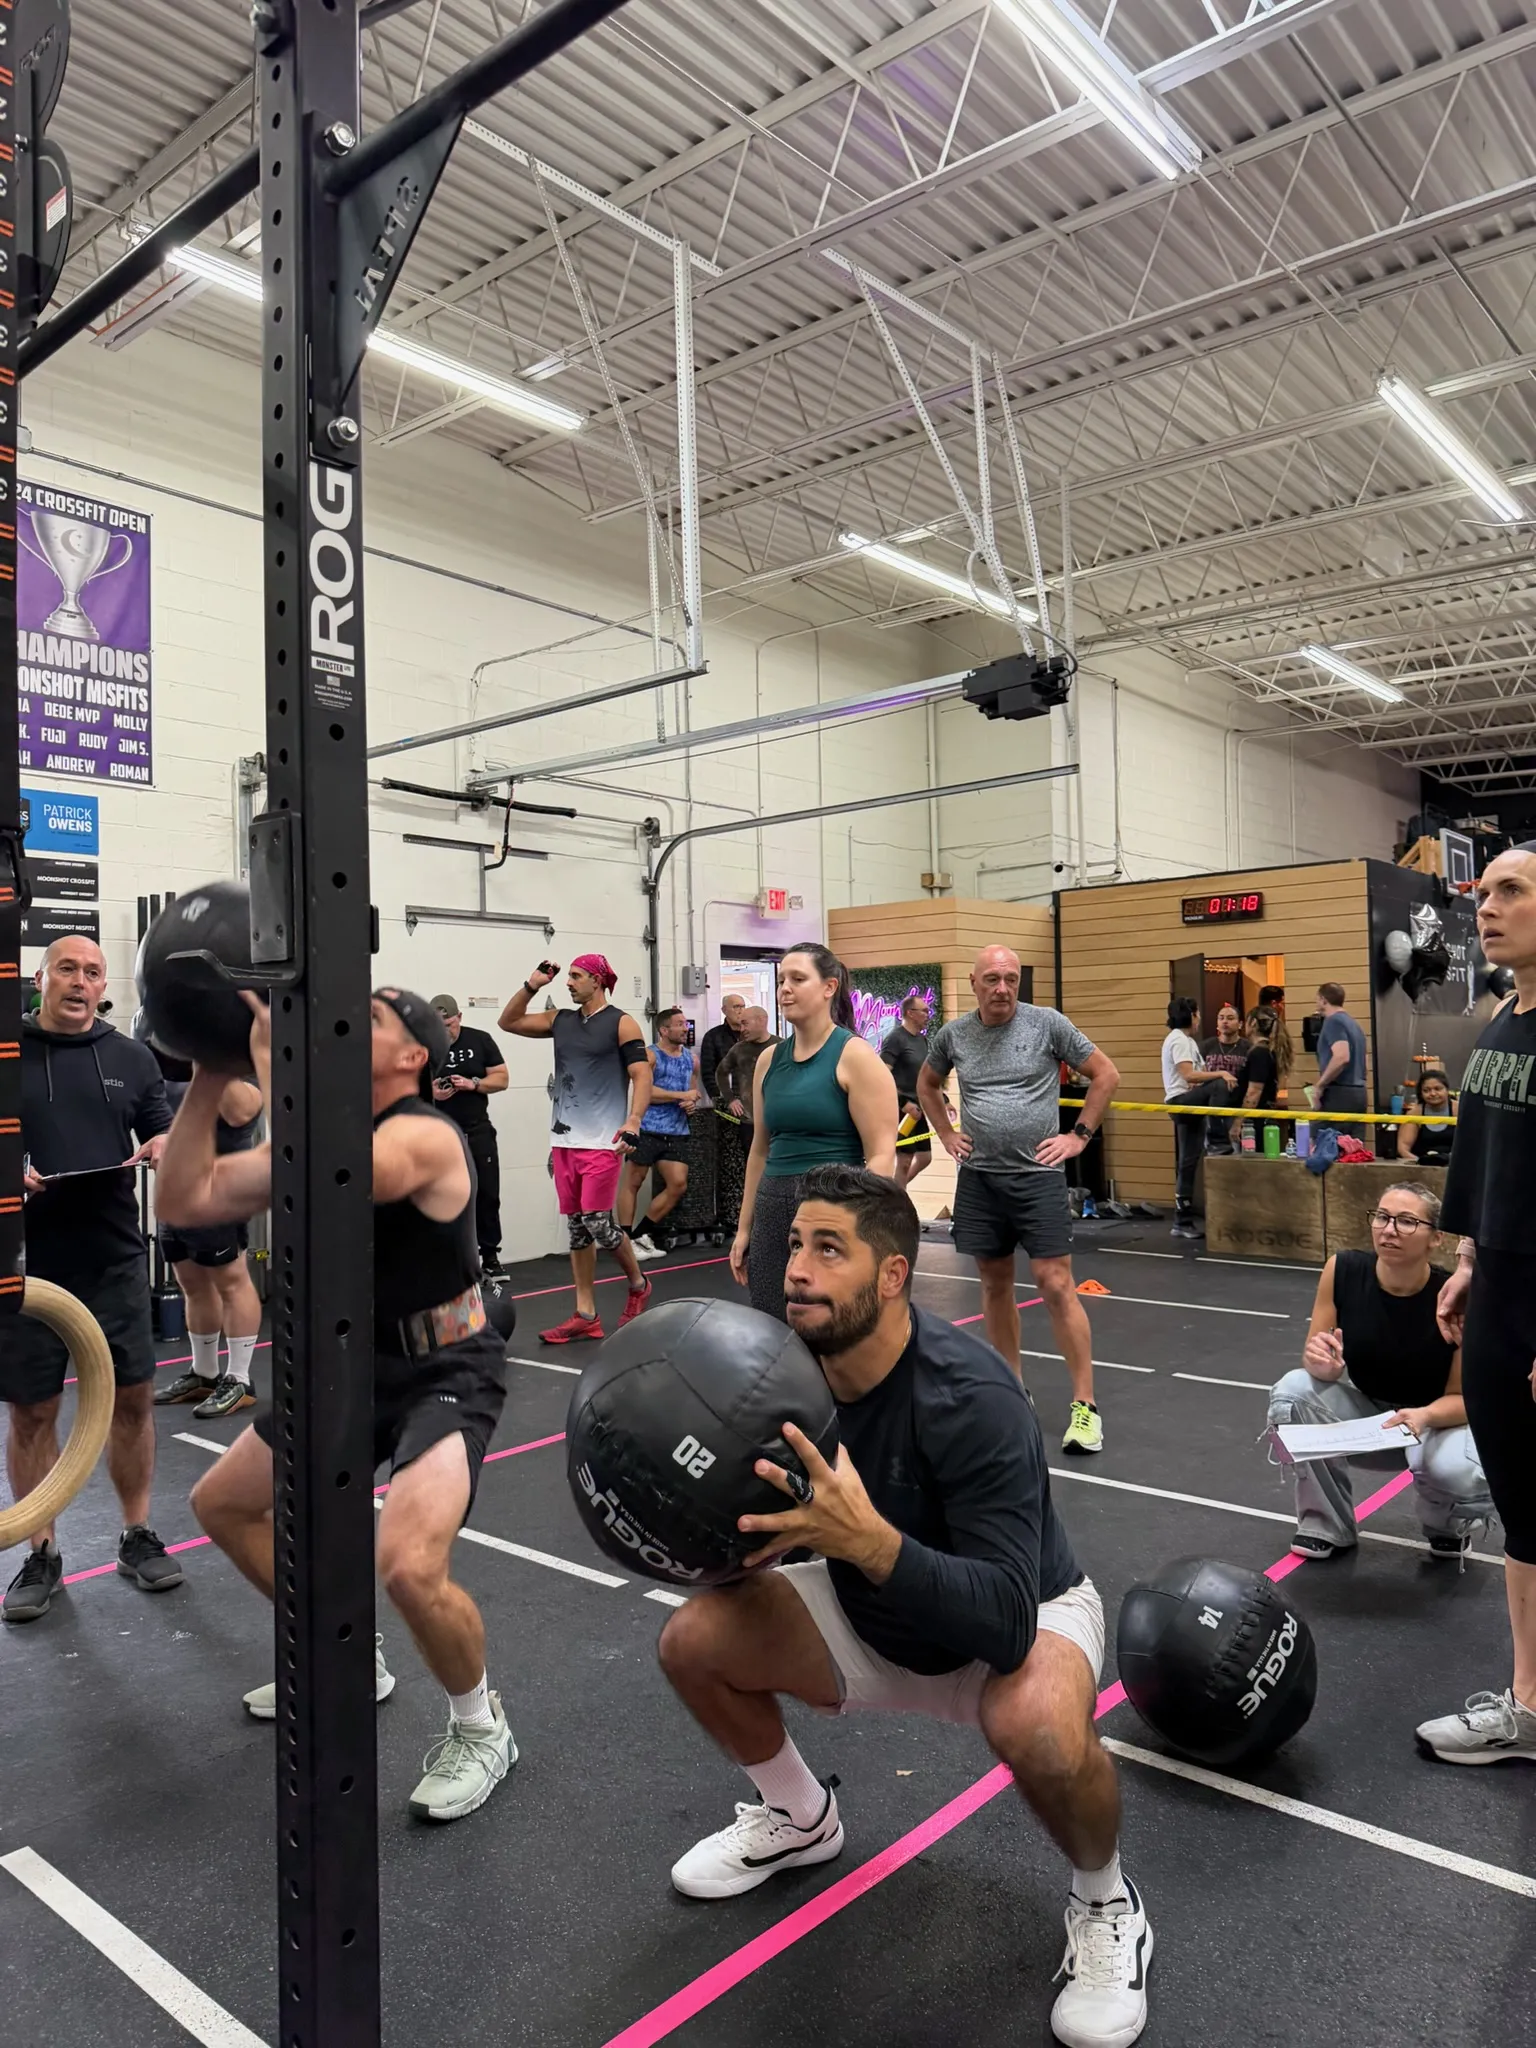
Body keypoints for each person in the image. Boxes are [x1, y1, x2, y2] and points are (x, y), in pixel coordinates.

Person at [658, 1165, 1150, 2048]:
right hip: (869, 1611)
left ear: (891, 1277)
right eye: (796, 1245)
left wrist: (866, 1541)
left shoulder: (973, 1397)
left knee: (1039, 1724)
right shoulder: (776, 1377)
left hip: (1020, 1617)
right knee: (693, 1639)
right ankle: (799, 1819)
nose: (796, 1270)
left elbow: (1003, 1622)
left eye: (828, 1250)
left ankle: (1107, 1900)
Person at [161, 988, 514, 1822]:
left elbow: (340, 1175)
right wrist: (209, 1077)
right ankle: (348, 1659)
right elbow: (183, 1200)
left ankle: (481, 1725)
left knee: (408, 1563)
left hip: (446, 1366)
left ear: (412, 1058)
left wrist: (276, 1067)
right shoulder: (317, 1126)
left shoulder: (427, 1132)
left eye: (372, 1021)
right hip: (345, 1364)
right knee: (224, 1503)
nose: (342, 1026)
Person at [2, 935, 180, 1625]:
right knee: (33, 1411)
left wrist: (163, 1143)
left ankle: (137, 1535)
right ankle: (39, 1549)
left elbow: (162, 1129)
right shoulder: (7, 1052)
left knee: (132, 1401)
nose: (80, 982)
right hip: (25, 1265)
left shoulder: (130, 1058)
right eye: (67, 969)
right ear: (40, 977)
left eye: (93, 972)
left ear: (105, 985)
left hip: (112, 1258)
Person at [1416, 843, 1536, 1766]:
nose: (1485, 906)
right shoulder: (1503, 1021)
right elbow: (1488, 1166)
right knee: (1526, 1514)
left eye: (1511, 891)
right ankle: (1529, 1706)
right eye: (1483, 890)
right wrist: (1465, 1260)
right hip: (1497, 1286)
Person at [918, 948, 1119, 1455]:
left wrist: (1078, 1136)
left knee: (1056, 1284)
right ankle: (1012, 1392)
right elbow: (926, 1083)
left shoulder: (1047, 1023)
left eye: (1010, 979)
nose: (1002, 988)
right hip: (981, 1180)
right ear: (974, 983)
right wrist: (945, 1133)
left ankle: (1085, 1407)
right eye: (992, 979)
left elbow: (1106, 1075)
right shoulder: (954, 1034)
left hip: (1038, 1179)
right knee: (994, 1284)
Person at [1266, 1184, 1490, 1560]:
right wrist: (1321, 1363)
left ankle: (1446, 1527)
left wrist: (1424, 1416)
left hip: (1434, 1425)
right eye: (1383, 1217)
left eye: (1406, 1221)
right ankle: (1325, 1523)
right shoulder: (1342, 1270)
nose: (1389, 1230)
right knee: (1292, 1391)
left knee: (1459, 1471)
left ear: (1436, 1238)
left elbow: (1465, 1399)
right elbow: (1315, 1354)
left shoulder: (1455, 1296)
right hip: (1373, 1422)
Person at [732, 943, 897, 1323]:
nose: (785, 989)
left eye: (798, 979)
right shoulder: (768, 1060)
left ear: (829, 988)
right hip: (775, 1209)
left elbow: (881, 1154)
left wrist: (860, 1228)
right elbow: (759, 1151)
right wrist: (745, 1229)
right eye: (781, 981)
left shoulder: (855, 1056)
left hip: (834, 1207)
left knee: (829, 1329)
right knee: (772, 1325)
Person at [498, 955, 653, 1344]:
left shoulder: (621, 1022)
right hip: (565, 1141)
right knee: (578, 1229)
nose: (568, 982)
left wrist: (633, 1120)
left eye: (577, 976)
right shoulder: (561, 1021)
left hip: (603, 1140)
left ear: (598, 981)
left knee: (598, 1221)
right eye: (567, 976)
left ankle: (638, 1283)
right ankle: (586, 1314)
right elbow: (509, 1022)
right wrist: (533, 985)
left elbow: (641, 1073)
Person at [154, 1075, 264, 1420]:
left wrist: (204, 1054)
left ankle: (240, 1379)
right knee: (193, 1286)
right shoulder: (158, 1047)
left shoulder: (237, 1065)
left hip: (220, 1191)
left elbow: (240, 1112)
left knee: (232, 1283)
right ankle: (204, 1373)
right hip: (175, 1189)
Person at [430, 995, 509, 1274]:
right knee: (441, 1195)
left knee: (487, 1192)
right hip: (439, 1131)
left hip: (476, 1127)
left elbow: (502, 1078)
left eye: (449, 1024)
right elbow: (402, 1087)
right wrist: (432, 1092)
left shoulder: (480, 1040)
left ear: (459, 1017)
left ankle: (489, 1256)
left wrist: (473, 1084)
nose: (445, 1032)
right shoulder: (421, 1045)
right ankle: (446, 1258)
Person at [619, 1005, 699, 1261]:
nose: (685, 1028)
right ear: (664, 1030)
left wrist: (691, 1102)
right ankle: (624, 1239)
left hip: (676, 1130)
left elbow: (692, 1091)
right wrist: (680, 1096)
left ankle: (641, 1234)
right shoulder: (650, 1056)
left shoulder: (691, 1059)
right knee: (633, 1182)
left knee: (677, 1185)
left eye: (685, 1023)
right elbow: (645, 1092)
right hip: (648, 1128)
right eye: (679, 1024)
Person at [1160, 998, 1236, 1240]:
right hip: (1181, 1103)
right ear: (1191, 1015)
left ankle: (1181, 1220)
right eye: (1198, 1013)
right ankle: (1217, 1140)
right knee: (1219, 1082)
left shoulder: (1187, 1041)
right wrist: (1222, 1072)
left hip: (1187, 1101)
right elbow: (1189, 1075)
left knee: (1187, 1162)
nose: (1200, 1018)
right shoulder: (1179, 1040)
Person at [880, 992, 934, 1189]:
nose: (929, 1014)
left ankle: (893, 1192)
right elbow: (882, 1076)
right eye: (925, 1011)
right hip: (900, 1108)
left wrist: (943, 1101)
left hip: (917, 1110)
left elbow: (924, 1076)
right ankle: (897, 1205)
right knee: (904, 1160)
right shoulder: (895, 1039)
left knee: (925, 1157)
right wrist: (903, 1104)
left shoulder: (922, 1041)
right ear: (911, 1013)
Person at [1313, 981, 1368, 1134]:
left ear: (1324, 1000)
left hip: (1339, 1092)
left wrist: (1320, 1085)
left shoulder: (1333, 1022)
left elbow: (1342, 1056)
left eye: (1317, 999)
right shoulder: (1354, 1024)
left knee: (1327, 1144)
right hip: (1358, 1091)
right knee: (1352, 1147)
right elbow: (1365, 1060)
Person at [1239, 1004, 1292, 1153]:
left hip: (1255, 1121)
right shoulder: (1271, 1050)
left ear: (1253, 1023)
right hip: (1264, 1115)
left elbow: (1253, 1093)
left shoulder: (1259, 1053)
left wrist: (1238, 1122)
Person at [1199, 1004, 1249, 1155]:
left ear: (1240, 1024)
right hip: (1211, 1111)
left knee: (1237, 1155)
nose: (1225, 1022)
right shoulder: (1206, 1046)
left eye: (1230, 1018)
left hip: (1237, 1109)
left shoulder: (1248, 1048)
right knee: (1212, 1157)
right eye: (1221, 1018)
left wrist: (1240, 1120)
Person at [714, 1005, 776, 1128]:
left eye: (745, 1024)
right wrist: (730, 1099)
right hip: (748, 1120)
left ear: (761, 1020)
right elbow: (721, 1073)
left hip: (776, 1119)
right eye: (740, 1025)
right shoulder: (739, 1049)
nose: (741, 1029)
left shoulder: (781, 1047)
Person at [1397, 1069, 1455, 1168]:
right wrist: (1420, 1163)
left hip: (1454, 1166)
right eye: (1426, 1090)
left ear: (1447, 1089)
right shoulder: (1414, 1114)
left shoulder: (1460, 1111)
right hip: (1421, 1167)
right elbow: (1403, 1148)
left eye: (1437, 1089)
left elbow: (1471, 1144)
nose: (1432, 1093)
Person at [698, 992, 746, 1104]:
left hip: (751, 1099)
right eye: (736, 1007)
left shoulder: (751, 1035)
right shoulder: (713, 1036)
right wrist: (720, 1099)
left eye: (743, 1006)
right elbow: (708, 1072)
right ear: (724, 1010)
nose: (741, 1011)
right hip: (727, 1099)